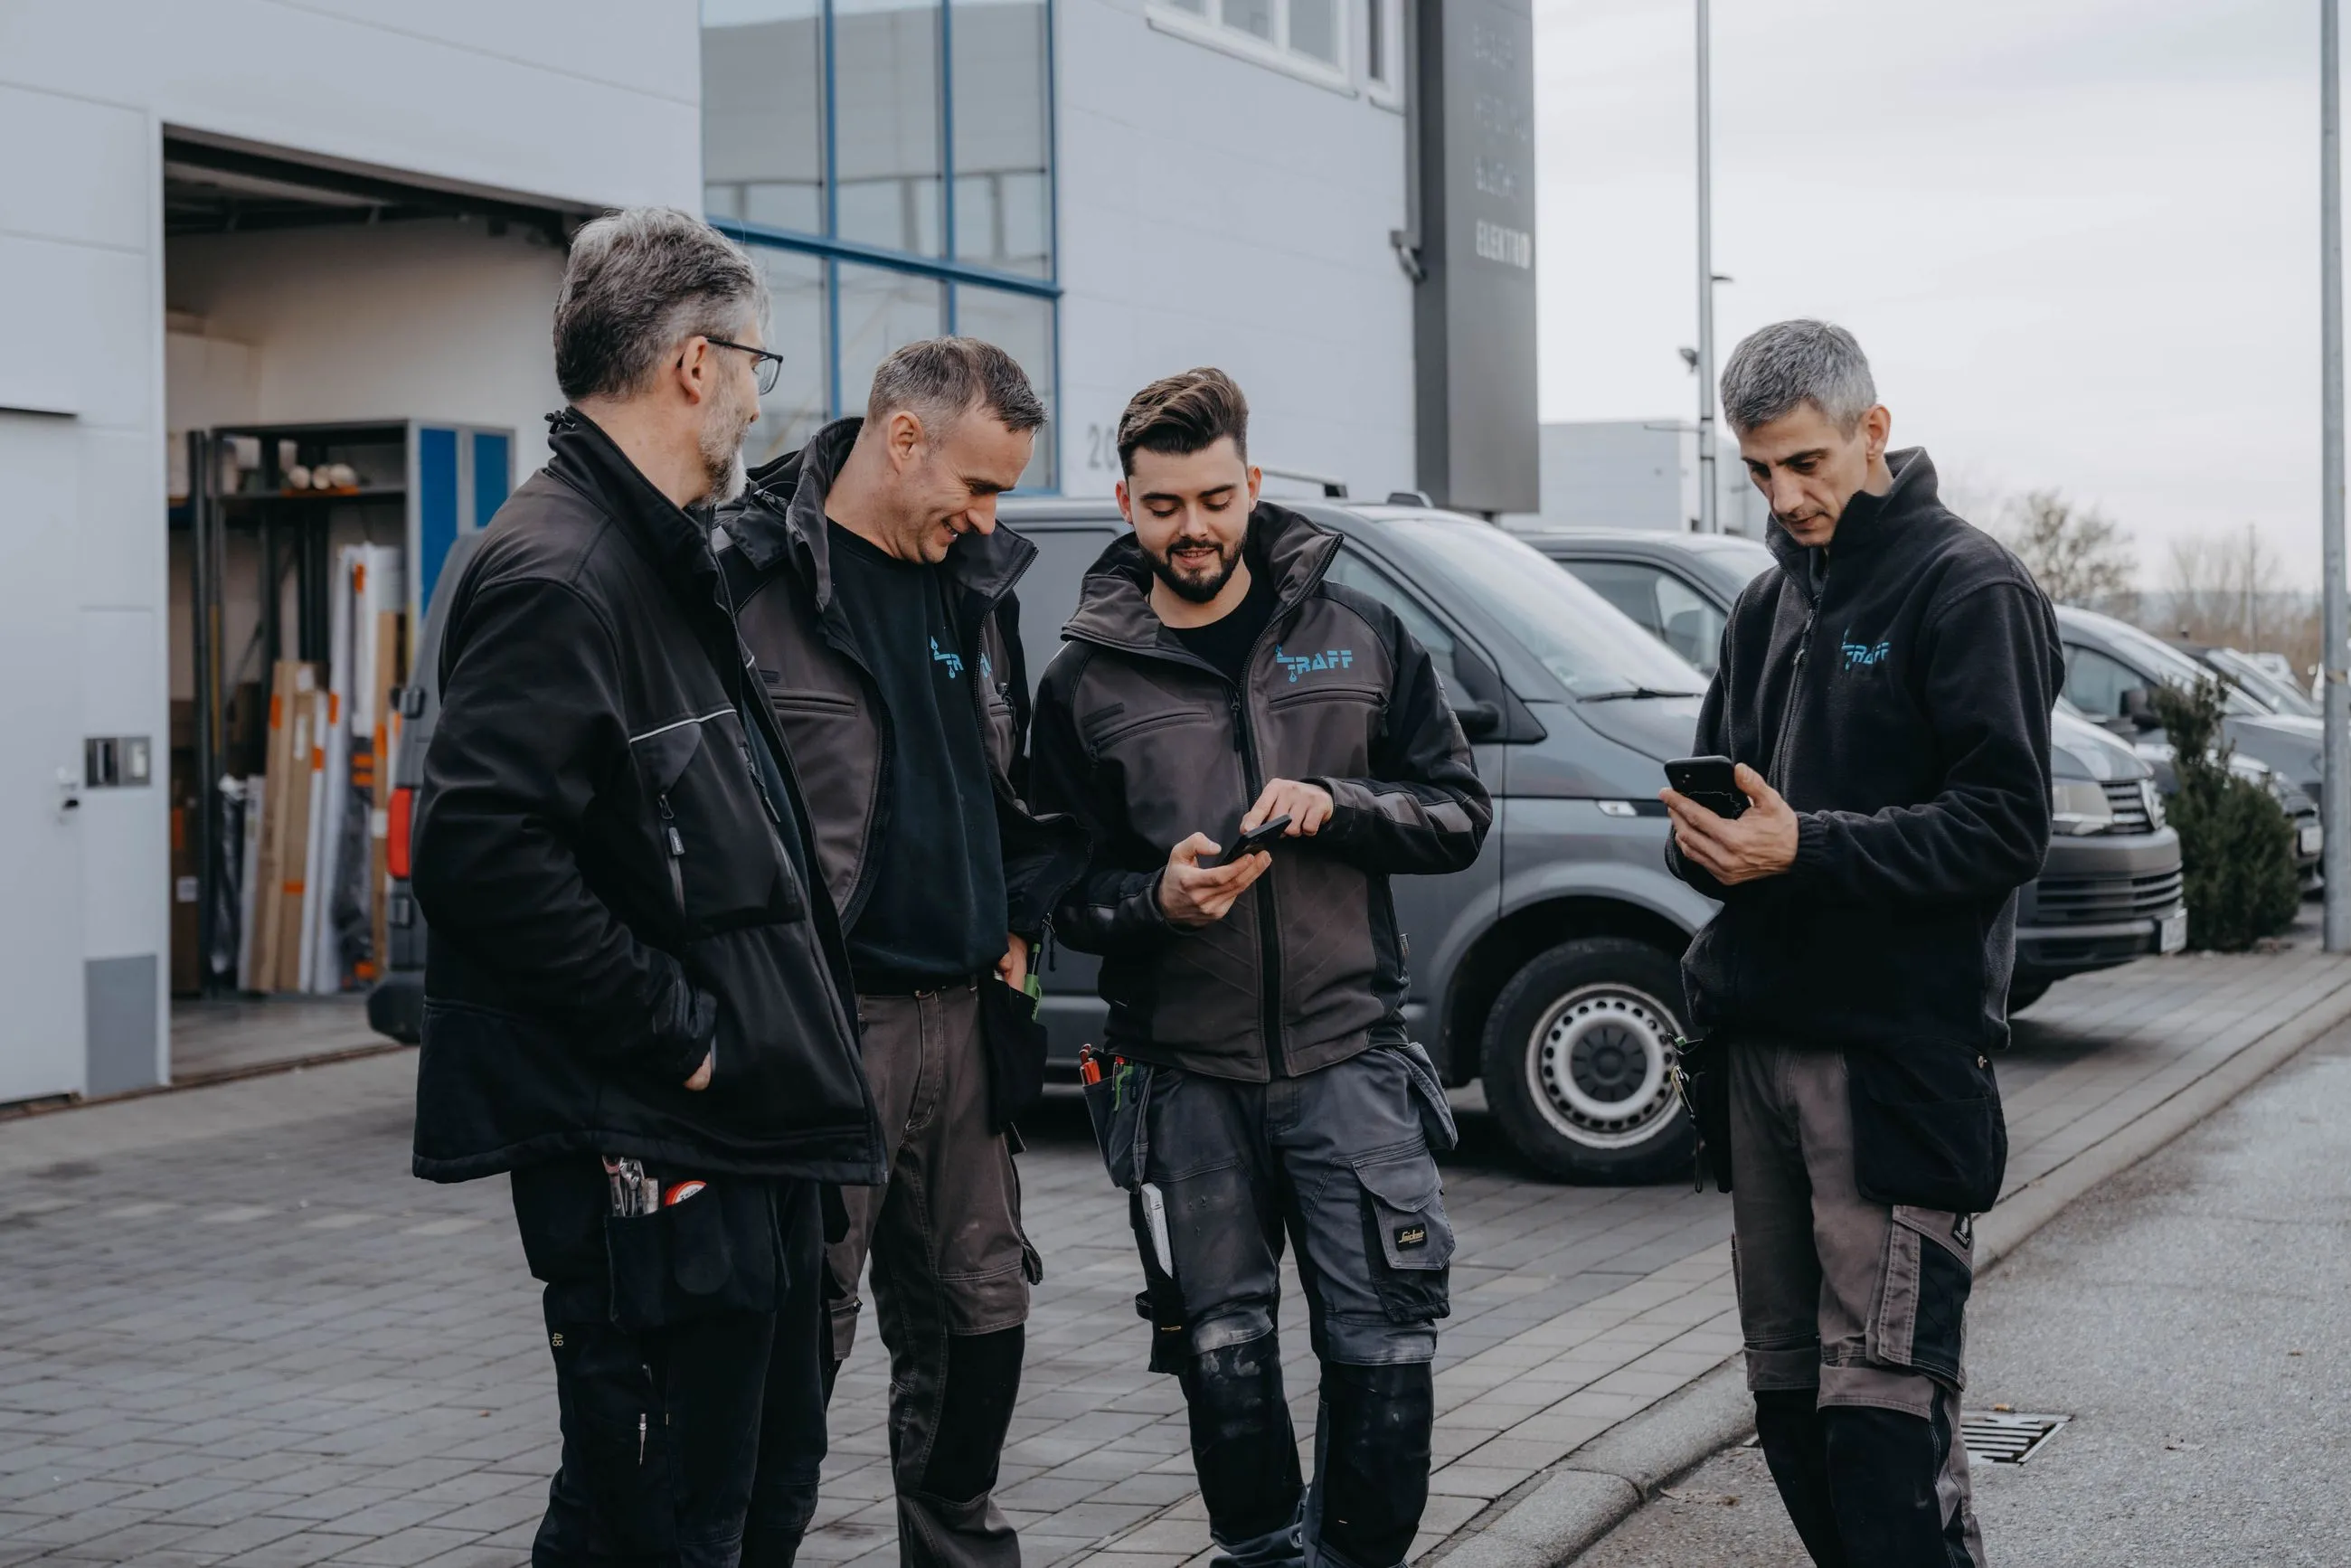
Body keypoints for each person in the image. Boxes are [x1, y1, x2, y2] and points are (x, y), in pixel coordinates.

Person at [410, 207, 883, 1567]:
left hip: (733, 1142)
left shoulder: (660, 555)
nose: (754, 395)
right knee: (660, 1520)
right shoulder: (564, 569)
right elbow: (482, 852)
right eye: (755, 364)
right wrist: (681, 1039)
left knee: (747, 1491)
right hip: (657, 1149)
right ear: (693, 363)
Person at [1027, 368, 1491, 1568]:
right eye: (1167, 504)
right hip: (1185, 1077)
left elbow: (1455, 813)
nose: (1195, 528)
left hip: (1352, 1061)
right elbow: (1053, 890)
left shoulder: (1361, 636)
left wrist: (1337, 807)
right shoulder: (1083, 684)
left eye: (1217, 499)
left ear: (1255, 486)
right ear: (1127, 501)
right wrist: (1154, 897)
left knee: (1385, 1349)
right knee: (1222, 1360)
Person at [1660, 320, 2061, 1568]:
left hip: (1892, 1069)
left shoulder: (1967, 585)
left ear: (1873, 432)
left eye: (1808, 463)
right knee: (1791, 1414)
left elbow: (2003, 828)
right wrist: (1708, 844)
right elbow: (1747, 802)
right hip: (1761, 1052)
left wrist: (1808, 848)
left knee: (1886, 1434)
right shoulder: (1767, 601)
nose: (1786, 497)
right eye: (1761, 471)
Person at [713, 336, 1086, 1568]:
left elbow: (1013, 801)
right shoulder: (746, 574)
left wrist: (1020, 950)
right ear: (904, 435)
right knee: (789, 1339)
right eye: (978, 486)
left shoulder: (972, 591)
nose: (989, 520)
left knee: (984, 1325)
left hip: (969, 1026)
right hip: (824, 1035)